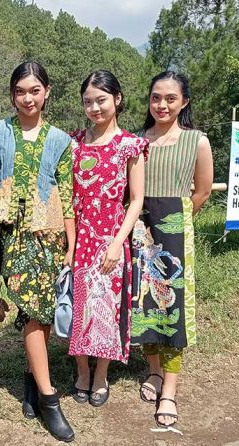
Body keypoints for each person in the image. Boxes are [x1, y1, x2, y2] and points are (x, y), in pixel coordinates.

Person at [0, 61, 76, 443]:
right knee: (35, 313)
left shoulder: (60, 140)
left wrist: (70, 246)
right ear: (12, 94)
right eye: (21, 91)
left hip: (46, 233)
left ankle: (31, 384)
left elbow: (68, 195)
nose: (28, 98)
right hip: (5, 233)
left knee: (35, 313)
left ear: (47, 92)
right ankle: (49, 398)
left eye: (34, 90)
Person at [132, 71, 213, 428]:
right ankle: (153, 372)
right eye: (155, 98)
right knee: (144, 303)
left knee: (173, 309)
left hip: (175, 232)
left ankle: (170, 390)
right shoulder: (135, 141)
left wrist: (174, 222)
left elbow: (203, 191)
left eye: (170, 98)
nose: (161, 105)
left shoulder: (197, 141)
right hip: (138, 230)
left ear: (184, 102)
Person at [67, 70, 147, 407]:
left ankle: (101, 374)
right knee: (77, 305)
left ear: (117, 99)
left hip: (110, 236)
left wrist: (117, 242)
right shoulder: (73, 142)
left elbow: (137, 199)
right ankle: (81, 370)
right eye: (88, 102)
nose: (95, 108)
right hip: (78, 233)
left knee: (106, 306)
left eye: (101, 100)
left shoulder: (129, 145)